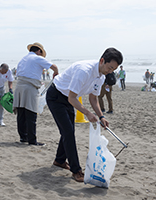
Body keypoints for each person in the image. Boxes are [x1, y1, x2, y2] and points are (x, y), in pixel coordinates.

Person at [46, 47, 123, 182]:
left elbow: (93, 99)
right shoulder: (84, 71)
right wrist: (87, 113)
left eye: (113, 70)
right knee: (68, 132)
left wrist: (101, 116)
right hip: (56, 96)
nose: (110, 71)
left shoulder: (101, 77)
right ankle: (76, 171)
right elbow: (72, 98)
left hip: (69, 99)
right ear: (102, 60)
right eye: (109, 67)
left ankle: (59, 160)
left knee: (68, 130)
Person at [13, 42, 58, 145]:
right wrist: (56, 73)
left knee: (21, 114)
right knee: (31, 113)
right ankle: (32, 140)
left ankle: (23, 138)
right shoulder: (37, 58)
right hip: (30, 87)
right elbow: (54, 67)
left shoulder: (22, 59)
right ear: (38, 51)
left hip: (19, 86)